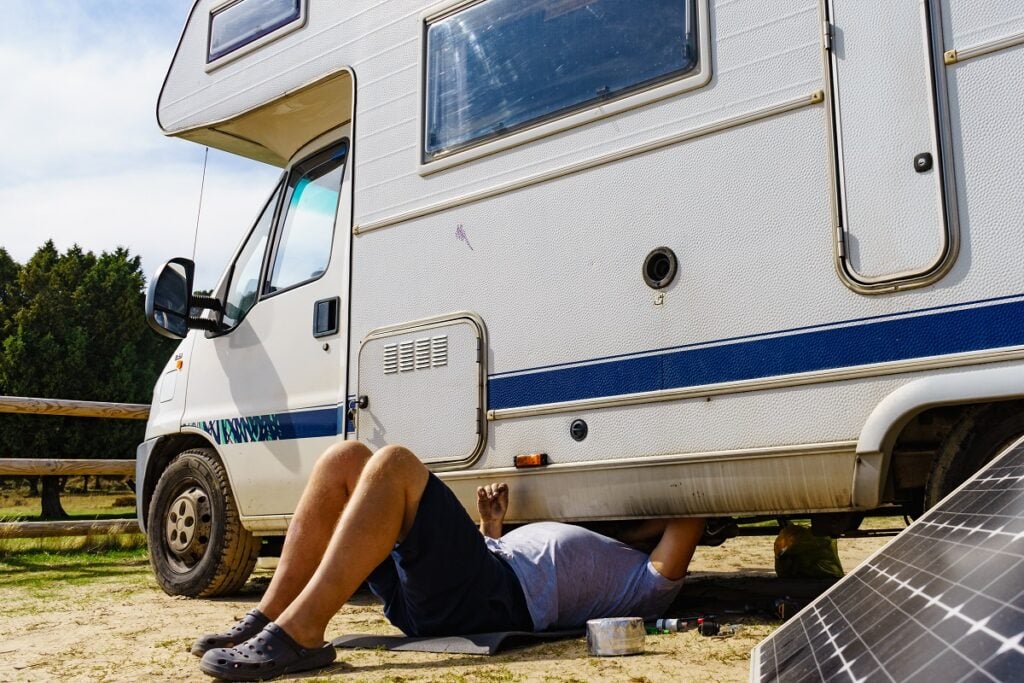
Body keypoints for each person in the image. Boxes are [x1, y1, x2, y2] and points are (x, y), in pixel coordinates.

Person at [193, 441, 705, 681]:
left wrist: (643, 527)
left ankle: (301, 635)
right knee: (345, 459)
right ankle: (268, 617)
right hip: (464, 584)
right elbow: (500, 564)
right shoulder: (605, 549)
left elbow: (690, 515)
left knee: (395, 465)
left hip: (491, 599)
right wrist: (492, 526)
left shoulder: (647, 583)